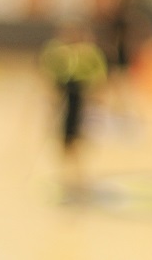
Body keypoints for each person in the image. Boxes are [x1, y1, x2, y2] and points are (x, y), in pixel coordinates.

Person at [39, 19, 107, 200]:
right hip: (65, 98)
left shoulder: (88, 52)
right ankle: (68, 173)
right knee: (64, 138)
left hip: (79, 97)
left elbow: (98, 75)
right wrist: (51, 95)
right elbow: (50, 73)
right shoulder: (57, 51)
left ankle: (76, 174)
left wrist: (97, 94)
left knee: (77, 137)